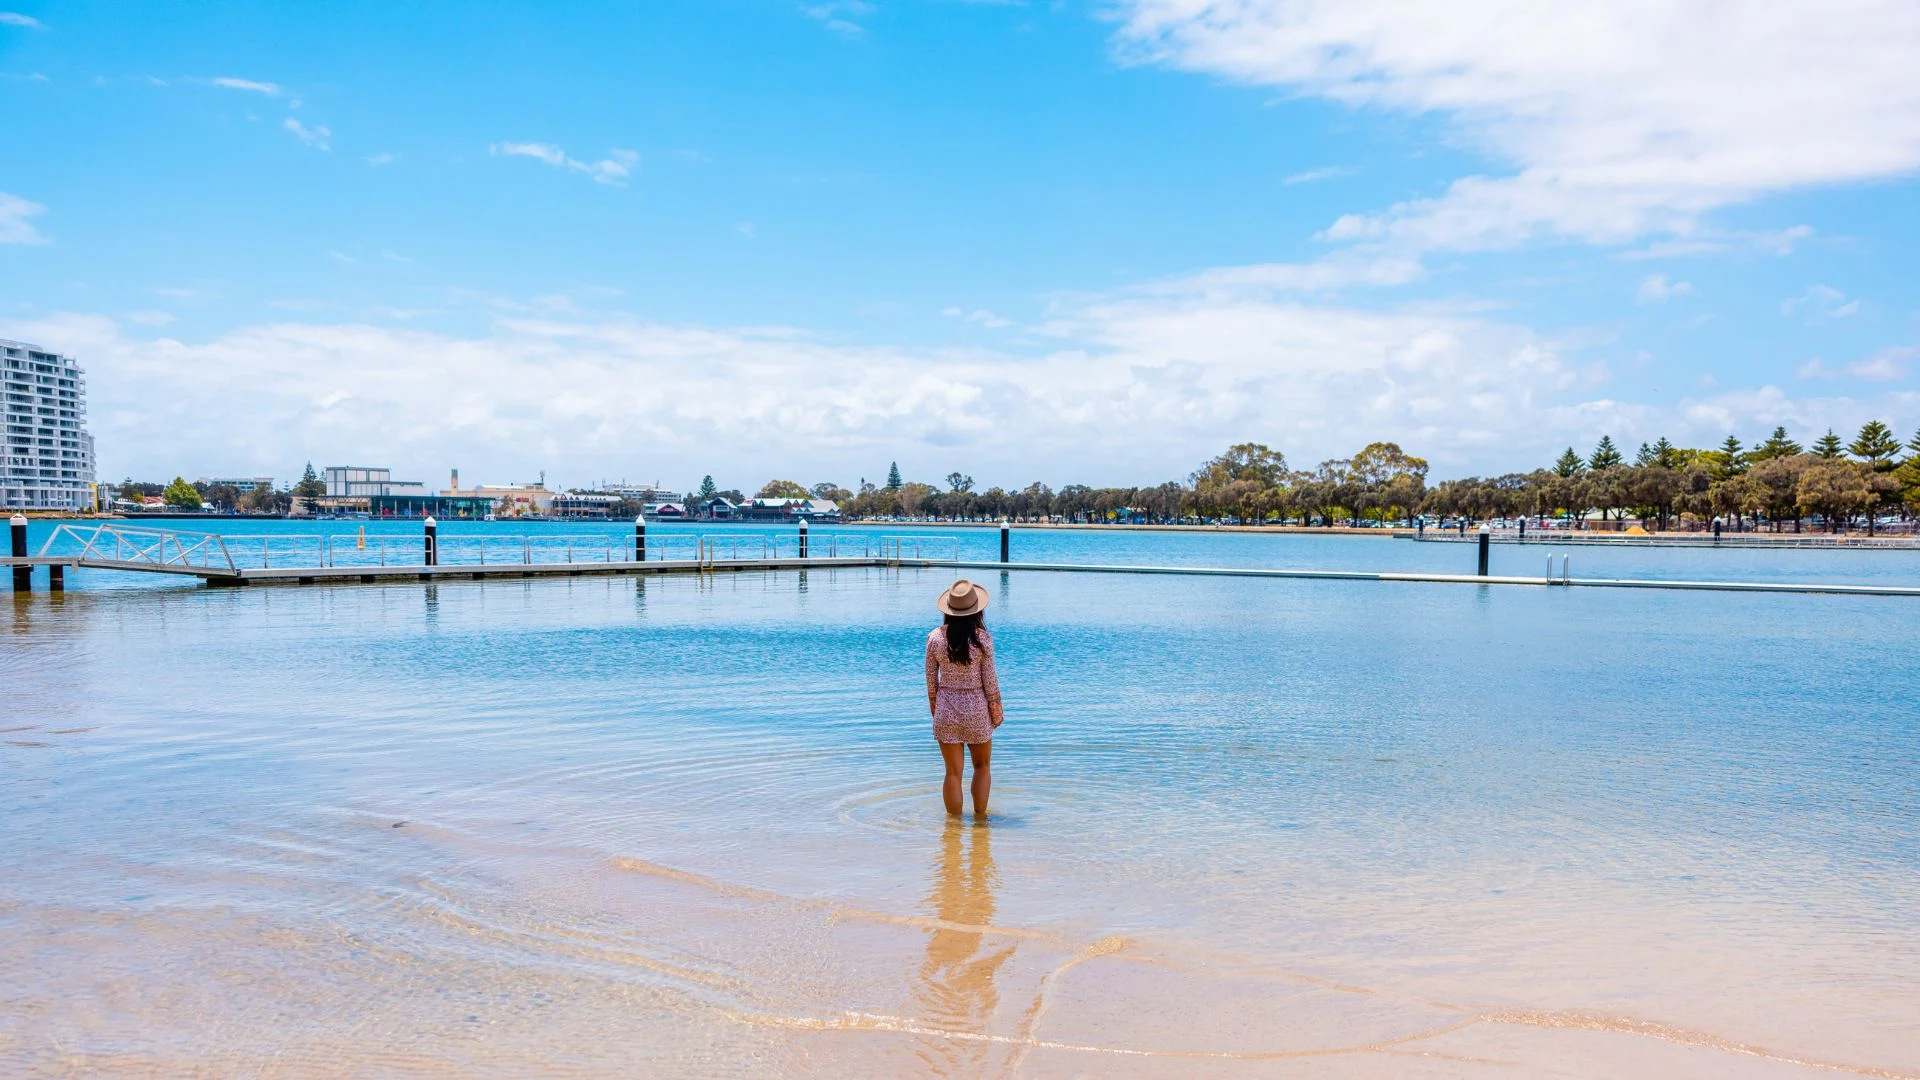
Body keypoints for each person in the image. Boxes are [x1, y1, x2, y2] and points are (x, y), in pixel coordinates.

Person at [925, 579, 1003, 817]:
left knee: (952, 773)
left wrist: (936, 708)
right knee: (982, 767)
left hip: (947, 708)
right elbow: (990, 680)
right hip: (977, 709)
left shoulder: (935, 638)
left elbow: (931, 679)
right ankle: (980, 821)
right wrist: (996, 709)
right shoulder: (982, 640)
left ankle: (953, 831)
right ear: (977, 610)